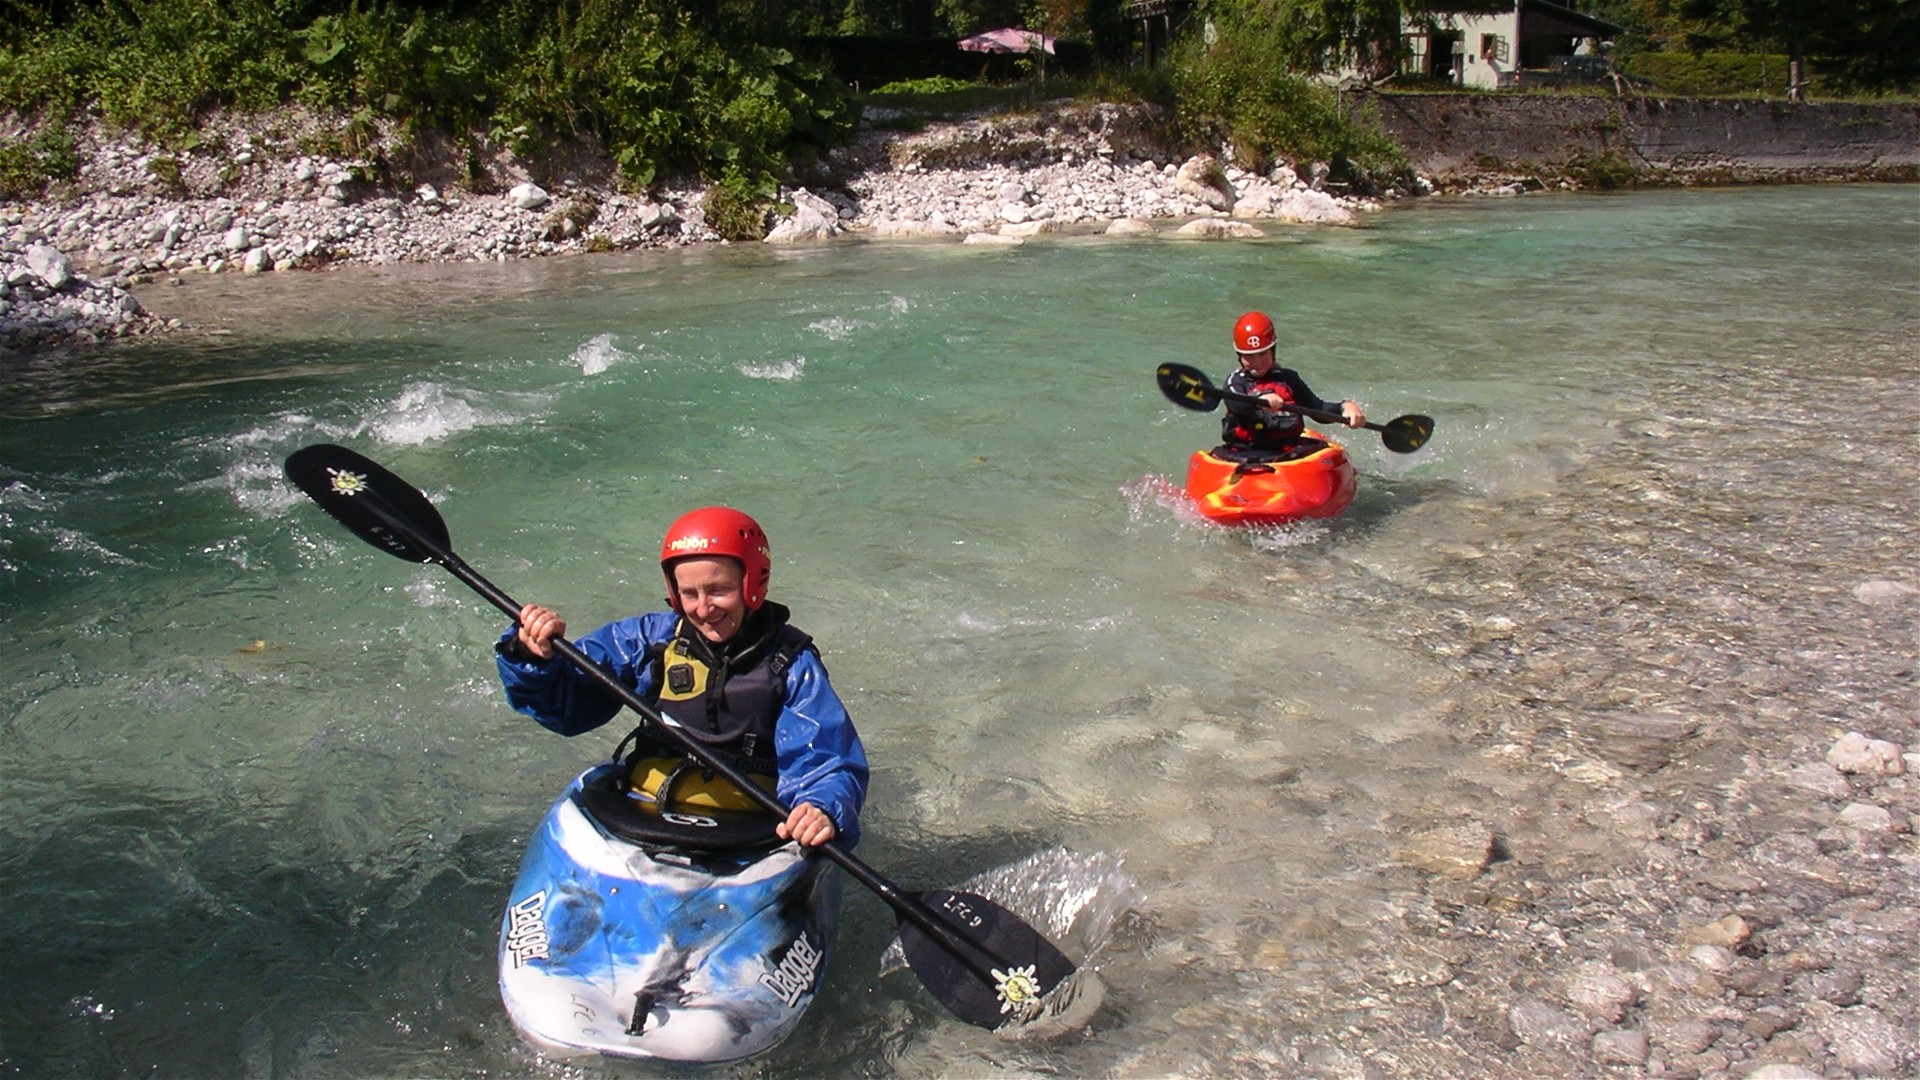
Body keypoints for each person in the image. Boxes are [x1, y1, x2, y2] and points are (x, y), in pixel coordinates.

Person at [495, 506, 867, 848]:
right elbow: (567, 706)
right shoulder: (650, 641)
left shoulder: (791, 664)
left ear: (753, 582)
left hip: (747, 833)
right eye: (689, 593)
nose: (703, 608)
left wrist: (821, 807)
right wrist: (532, 656)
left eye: (718, 590)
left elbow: (827, 760)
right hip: (639, 814)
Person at [1219, 310, 1367, 461]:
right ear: (1240, 356)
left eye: (1263, 354)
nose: (1257, 362)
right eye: (1249, 356)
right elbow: (1236, 403)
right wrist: (1259, 400)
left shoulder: (1289, 379)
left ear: (1273, 351)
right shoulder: (1235, 381)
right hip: (1244, 453)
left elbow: (1318, 409)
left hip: (1287, 452)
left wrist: (1345, 407)